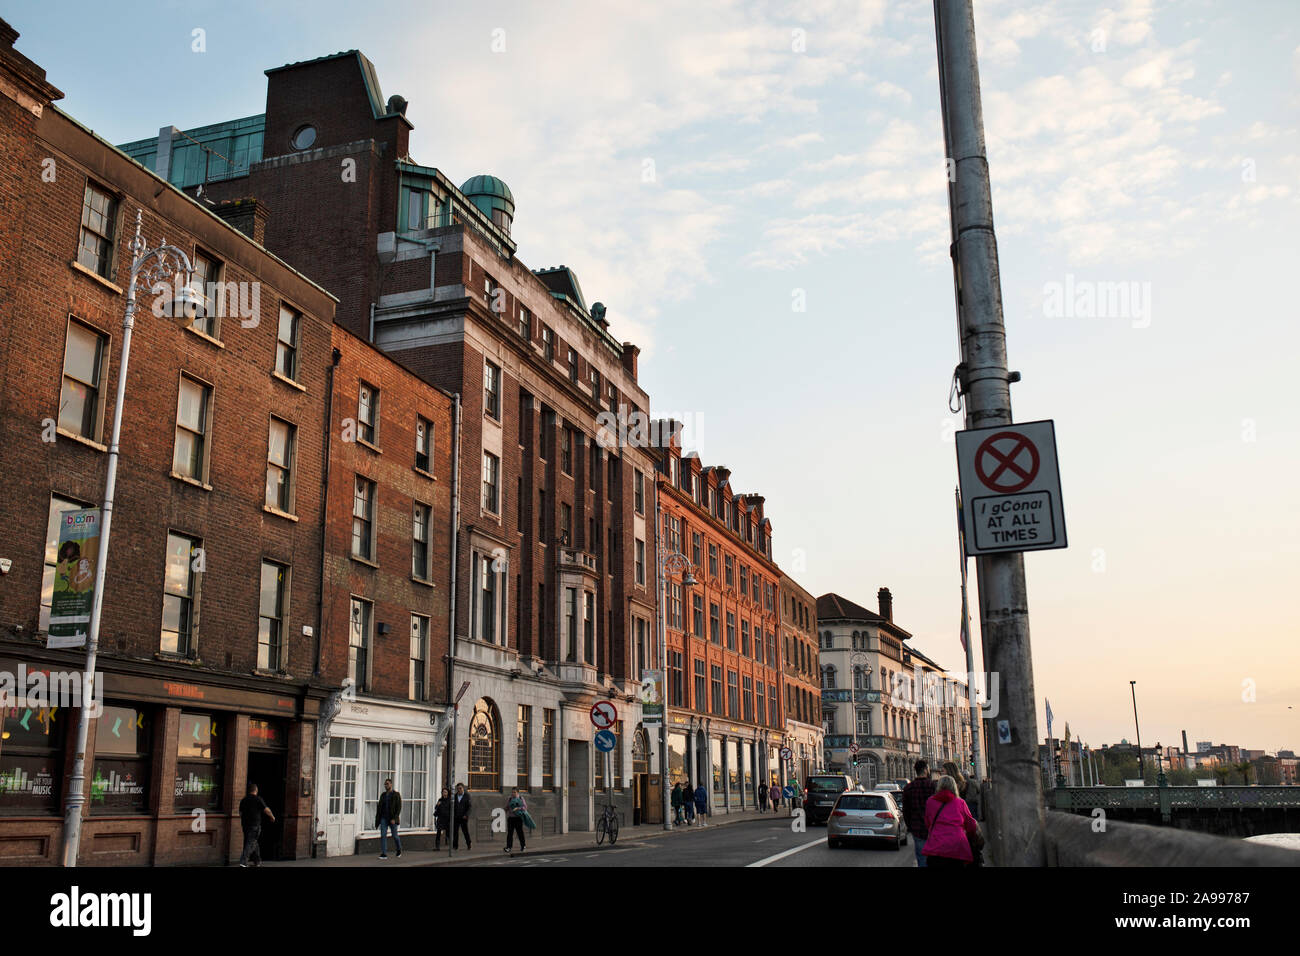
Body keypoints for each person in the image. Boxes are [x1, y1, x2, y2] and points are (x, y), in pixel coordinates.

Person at [921, 774, 981, 868]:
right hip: (957, 847)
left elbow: (928, 822)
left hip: (936, 847)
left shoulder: (930, 802)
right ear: (954, 787)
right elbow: (971, 825)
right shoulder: (960, 802)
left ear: (939, 786)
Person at [901, 760, 936, 868]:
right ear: (926, 770)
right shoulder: (933, 786)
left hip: (917, 828)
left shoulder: (908, 788)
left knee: (922, 858)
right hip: (934, 828)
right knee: (936, 857)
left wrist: (910, 826)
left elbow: (905, 811)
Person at [238, 782, 274, 868]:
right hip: (254, 824)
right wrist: (272, 817)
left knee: (253, 841)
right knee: (250, 842)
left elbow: (240, 813)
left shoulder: (244, 800)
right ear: (256, 790)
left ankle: (257, 861)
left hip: (245, 824)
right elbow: (266, 810)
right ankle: (243, 862)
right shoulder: (258, 799)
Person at [376, 777, 402, 859]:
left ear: (391, 784)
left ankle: (399, 849)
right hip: (384, 818)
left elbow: (399, 807)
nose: (386, 785)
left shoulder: (396, 795)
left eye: (387, 784)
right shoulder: (383, 795)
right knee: (383, 835)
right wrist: (378, 818)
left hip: (392, 818)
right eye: (385, 784)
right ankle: (384, 853)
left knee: (395, 836)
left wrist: (395, 818)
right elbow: (380, 807)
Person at [505, 788, 530, 853]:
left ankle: (523, 846)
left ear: (518, 793)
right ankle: (508, 847)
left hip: (518, 818)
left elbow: (525, 807)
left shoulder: (521, 798)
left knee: (520, 833)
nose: (513, 794)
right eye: (512, 792)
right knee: (510, 833)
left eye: (514, 792)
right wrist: (504, 809)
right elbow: (507, 807)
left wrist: (518, 808)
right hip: (510, 818)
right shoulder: (510, 799)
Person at [452, 782, 473, 850]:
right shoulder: (454, 796)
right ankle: (455, 846)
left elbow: (469, 807)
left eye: (460, 788)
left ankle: (469, 843)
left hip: (463, 817)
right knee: (455, 832)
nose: (459, 790)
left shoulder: (467, 796)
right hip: (456, 817)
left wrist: (466, 815)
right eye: (457, 789)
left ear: (463, 788)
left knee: (465, 831)